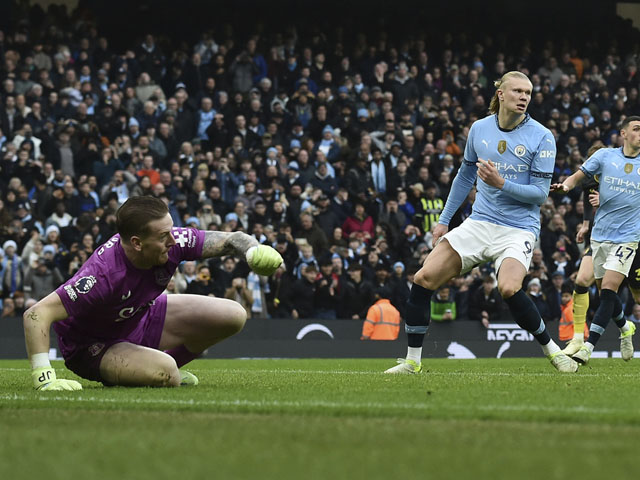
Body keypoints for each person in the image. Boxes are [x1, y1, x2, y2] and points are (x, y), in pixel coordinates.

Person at [385, 71, 575, 374]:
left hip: (518, 227)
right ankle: (411, 362)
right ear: (500, 94)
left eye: (528, 92)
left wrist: (501, 183)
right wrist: (444, 221)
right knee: (423, 279)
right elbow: (465, 176)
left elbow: (539, 195)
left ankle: (552, 350)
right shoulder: (479, 129)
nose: (524, 97)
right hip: (480, 222)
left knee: (509, 288)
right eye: (517, 91)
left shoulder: (541, 136)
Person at [23, 196, 283, 390]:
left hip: (139, 318)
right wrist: (44, 377)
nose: (173, 241)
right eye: (163, 236)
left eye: (172, 230)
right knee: (166, 373)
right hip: (94, 347)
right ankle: (155, 366)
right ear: (137, 243)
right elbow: (36, 314)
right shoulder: (102, 274)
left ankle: (157, 362)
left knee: (234, 315)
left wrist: (252, 250)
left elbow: (232, 239)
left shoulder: (171, 241)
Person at [551, 116, 640, 365]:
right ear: (623, 134)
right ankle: (626, 329)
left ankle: (586, 348)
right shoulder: (604, 157)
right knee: (603, 294)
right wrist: (566, 187)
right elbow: (578, 177)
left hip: (629, 238)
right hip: (600, 237)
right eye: (636, 129)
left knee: (609, 290)